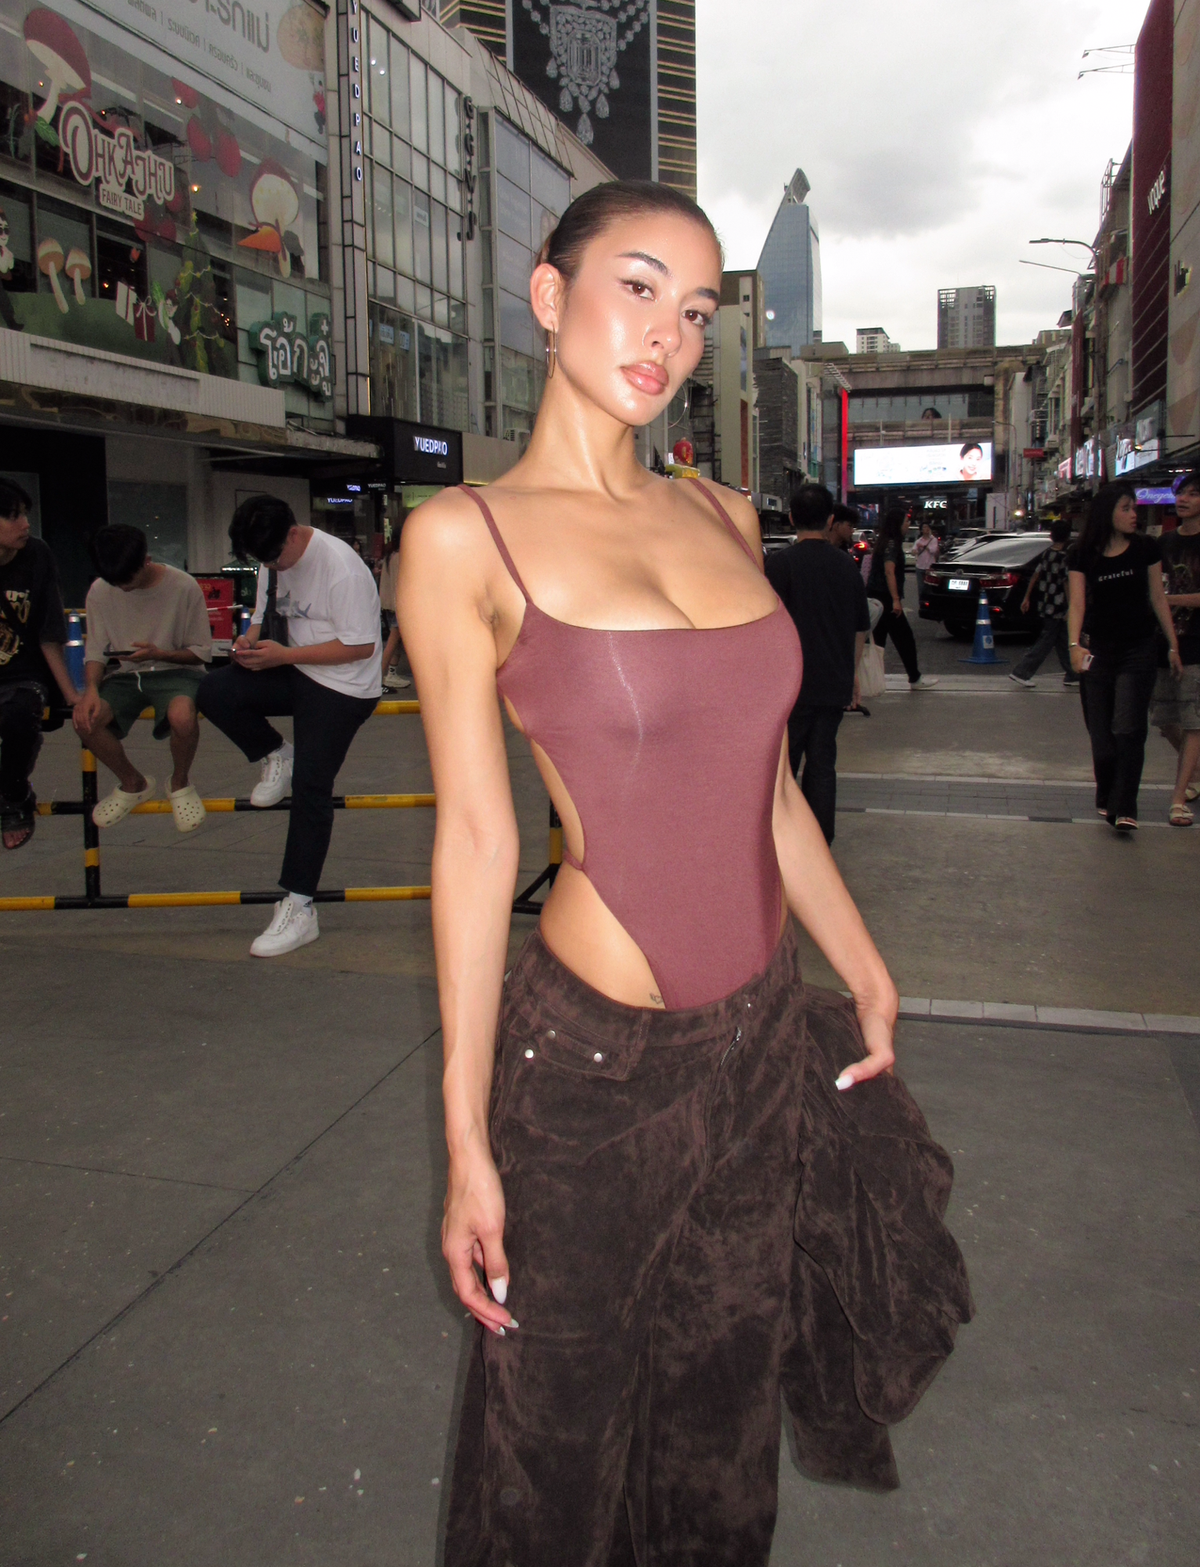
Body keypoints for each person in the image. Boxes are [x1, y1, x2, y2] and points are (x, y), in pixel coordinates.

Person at [397, 179, 901, 1566]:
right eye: (635, 288)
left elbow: (769, 788)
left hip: (761, 1036)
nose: (666, 335)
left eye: (694, 310)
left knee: (719, 1424)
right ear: (548, 295)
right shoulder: (462, 537)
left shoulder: (723, 516)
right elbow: (477, 839)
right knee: (549, 1443)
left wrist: (863, 964)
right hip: (593, 1066)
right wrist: (466, 1138)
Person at [196, 497, 382, 955]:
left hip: (344, 684)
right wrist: (247, 644)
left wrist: (286, 656)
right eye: (264, 561)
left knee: (311, 787)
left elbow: (360, 647)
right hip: (294, 667)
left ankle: (300, 907)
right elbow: (263, 617)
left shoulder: (341, 568)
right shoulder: (270, 560)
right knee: (214, 690)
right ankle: (277, 753)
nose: (273, 566)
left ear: (294, 533)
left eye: (276, 557)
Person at [72, 525, 213, 832]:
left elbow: (201, 653)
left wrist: (160, 654)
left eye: (128, 580)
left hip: (178, 672)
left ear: (146, 560)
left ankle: (179, 782)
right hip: (126, 675)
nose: (122, 587)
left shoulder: (183, 586)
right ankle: (132, 782)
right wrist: (90, 690)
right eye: (115, 582)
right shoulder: (100, 590)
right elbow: (95, 651)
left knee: (182, 716)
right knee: (85, 719)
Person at [1067, 482, 1180, 831]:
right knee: (1101, 735)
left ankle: (1125, 806)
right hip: (1098, 649)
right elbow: (1077, 604)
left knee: (1129, 728)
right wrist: (1074, 646)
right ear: (1108, 512)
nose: (1134, 515)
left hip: (1138, 648)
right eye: (1126, 508)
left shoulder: (1145, 548)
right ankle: (1107, 793)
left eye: (1135, 508)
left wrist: (1173, 645)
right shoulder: (1082, 553)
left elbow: (1158, 598)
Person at [766, 483, 871, 843]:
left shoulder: (778, 566)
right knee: (823, 764)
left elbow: (766, 628)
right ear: (829, 520)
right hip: (833, 681)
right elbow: (859, 627)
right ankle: (820, 841)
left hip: (789, 686)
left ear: (791, 518)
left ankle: (783, 841)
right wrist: (852, 675)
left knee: (784, 767)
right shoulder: (845, 565)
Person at [0, 477, 78, 849]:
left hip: (24, 673)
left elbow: (50, 631)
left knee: (18, 715)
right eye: (13, 516)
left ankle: (15, 797)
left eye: (25, 514)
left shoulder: (37, 554)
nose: (25, 524)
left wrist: (70, 694)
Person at [1150, 468, 1200, 824]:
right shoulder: (1163, 543)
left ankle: (1179, 798)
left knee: (1193, 721)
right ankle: (1195, 771)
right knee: (1166, 720)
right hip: (1163, 642)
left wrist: (1167, 600)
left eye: (1193, 493)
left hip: (1197, 644)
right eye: (1181, 492)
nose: (1183, 499)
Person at [867, 508, 938, 688]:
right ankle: (914, 677)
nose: (908, 525)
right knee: (904, 638)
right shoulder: (892, 544)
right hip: (885, 598)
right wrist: (896, 599)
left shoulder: (884, 542)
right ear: (897, 524)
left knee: (878, 640)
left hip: (876, 596)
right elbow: (889, 571)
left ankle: (873, 678)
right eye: (906, 522)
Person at [1008, 518, 1075, 689]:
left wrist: (1026, 597)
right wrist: (1071, 606)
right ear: (1067, 537)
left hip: (1045, 602)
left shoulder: (1046, 554)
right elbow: (1066, 583)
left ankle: (1073, 674)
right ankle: (1022, 672)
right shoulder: (1064, 558)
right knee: (1046, 641)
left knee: (1062, 640)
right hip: (1058, 605)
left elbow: (1036, 576)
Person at [377, 524, 411, 691]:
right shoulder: (401, 557)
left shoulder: (390, 556)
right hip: (400, 606)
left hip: (390, 605)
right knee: (393, 641)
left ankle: (390, 674)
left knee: (396, 642)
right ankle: (379, 676)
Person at [913, 519, 940, 591]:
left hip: (929, 566)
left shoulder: (933, 540)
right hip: (920, 566)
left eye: (928, 527)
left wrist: (925, 547)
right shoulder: (918, 541)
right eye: (924, 527)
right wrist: (915, 551)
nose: (927, 529)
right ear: (921, 530)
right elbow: (913, 551)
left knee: (929, 587)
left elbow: (933, 551)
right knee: (921, 587)